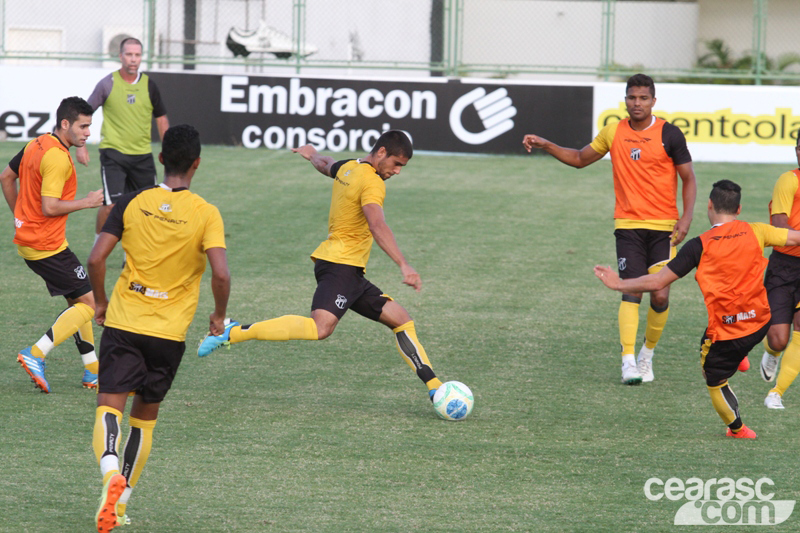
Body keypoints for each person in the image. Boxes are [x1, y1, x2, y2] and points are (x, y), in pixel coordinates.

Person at [198, 130, 444, 402]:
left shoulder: (349, 167)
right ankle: (234, 332)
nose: (398, 171)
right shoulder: (373, 183)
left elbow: (326, 164)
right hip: (341, 265)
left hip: (348, 270)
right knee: (320, 328)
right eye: (397, 164)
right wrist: (404, 265)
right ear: (382, 152)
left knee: (402, 320)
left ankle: (435, 387)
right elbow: (377, 224)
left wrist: (311, 153)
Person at [86, 124, 230, 532]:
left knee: (108, 406)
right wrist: (218, 316)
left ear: (161, 158)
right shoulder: (206, 213)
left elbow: (97, 259)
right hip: (169, 333)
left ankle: (109, 472)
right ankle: (122, 502)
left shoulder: (133, 201)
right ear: (197, 163)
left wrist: (100, 301)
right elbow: (221, 273)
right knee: (144, 420)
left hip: (125, 320)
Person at [522, 73, 697, 385]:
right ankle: (628, 361)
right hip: (628, 226)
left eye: (643, 98)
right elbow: (578, 159)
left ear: (653, 101)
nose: (637, 103)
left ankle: (647, 354)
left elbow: (689, 178)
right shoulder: (613, 132)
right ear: (625, 100)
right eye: (632, 98)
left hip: (663, 228)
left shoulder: (669, 134)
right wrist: (546, 144)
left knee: (659, 294)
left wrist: (685, 219)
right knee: (631, 290)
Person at [595, 180, 800, 439]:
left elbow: (658, 281)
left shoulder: (698, 246)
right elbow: (795, 237)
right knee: (720, 340)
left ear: (709, 205)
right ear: (739, 210)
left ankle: (738, 430)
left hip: (727, 331)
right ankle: (740, 358)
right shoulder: (757, 230)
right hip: (760, 322)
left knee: (712, 376)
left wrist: (619, 284)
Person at [0, 96, 103, 392]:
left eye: (90, 126)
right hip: (48, 247)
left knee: (77, 301)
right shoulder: (58, 157)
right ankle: (36, 353)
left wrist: (20, 216)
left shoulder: (37, 143)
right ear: (65, 123)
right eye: (83, 126)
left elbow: (6, 177)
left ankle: (93, 371)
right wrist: (87, 202)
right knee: (90, 304)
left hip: (32, 241)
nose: (87, 133)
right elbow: (49, 207)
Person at [76, 37, 169, 245]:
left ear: (141, 57)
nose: (133, 59)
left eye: (137, 55)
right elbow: (84, 114)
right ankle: (97, 247)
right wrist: (80, 146)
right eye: (129, 54)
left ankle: (132, 254)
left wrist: (168, 151)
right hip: (113, 154)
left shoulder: (150, 86)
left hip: (143, 156)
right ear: (120, 56)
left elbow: (162, 119)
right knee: (111, 205)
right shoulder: (107, 84)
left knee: (147, 207)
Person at [760, 133, 800, 409]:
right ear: (797, 151)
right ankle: (771, 352)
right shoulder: (789, 180)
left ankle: (777, 393)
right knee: (778, 338)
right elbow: (779, 225)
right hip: (784, 265)